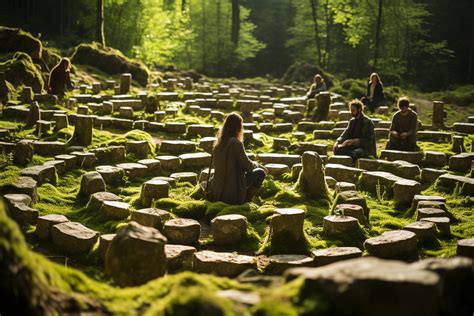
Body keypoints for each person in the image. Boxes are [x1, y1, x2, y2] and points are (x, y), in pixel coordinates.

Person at [208, 113, 266, 205]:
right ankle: (247, 199)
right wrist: (256, 164)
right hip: (232, 194)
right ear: (238, 127)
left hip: (217, 192)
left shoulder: (218, 144)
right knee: (261, 172)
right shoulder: (235, 143)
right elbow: (248, 166)